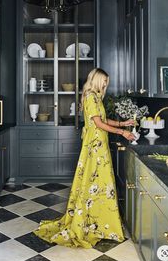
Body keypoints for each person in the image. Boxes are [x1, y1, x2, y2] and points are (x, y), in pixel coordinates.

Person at [34, 68, 136, 248]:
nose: (105, 84)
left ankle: (100, 224)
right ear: (96, 80)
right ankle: (94, 224)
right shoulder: (90, 97)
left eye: (107, 82)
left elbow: (103, 119)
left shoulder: (95, 97)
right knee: (99, 182)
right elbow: (98, 124)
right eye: (104, 81)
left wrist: (123, 123)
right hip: (95, 148)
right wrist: (122, 132)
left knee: (99, 183)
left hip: (98, 146)